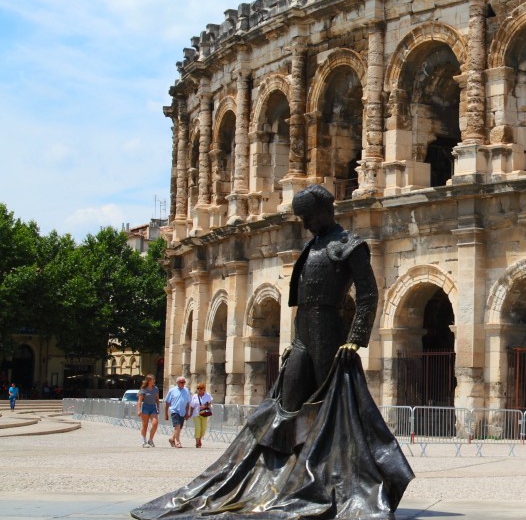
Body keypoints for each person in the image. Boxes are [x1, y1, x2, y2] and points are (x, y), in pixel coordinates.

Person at [133, 185, 413, 520]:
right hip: (305, 334)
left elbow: (368, 294)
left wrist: (354, 339)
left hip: (330, 332)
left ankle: (338, 480)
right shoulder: (313, 247)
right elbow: (302, 304)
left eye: (307, 216)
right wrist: (294, 344)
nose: (304, 223)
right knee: (282, 404)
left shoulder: (350, 246)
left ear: (325, 210)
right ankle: (275, 478)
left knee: (333, 412)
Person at [162, 377, 190, 448]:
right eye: (181, 382)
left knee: (179, 427)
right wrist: (166, 413)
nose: (183, 384)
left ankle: (172, 438)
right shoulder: (172, 390)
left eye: (184, 382)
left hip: (182, 412)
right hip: (175, 411)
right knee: (177, 425)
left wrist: (187, 413)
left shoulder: (186, 391)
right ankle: (177, 441)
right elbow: (167, 402)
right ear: (177, 383)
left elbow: (187, 403)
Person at [137, 375, 160, 447]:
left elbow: (157, 399)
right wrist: (138, 410)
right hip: (146, 407)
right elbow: (140, 401)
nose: (153, 381)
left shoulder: (155, 389)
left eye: (154, 380)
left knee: (155, 423)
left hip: (153, 407)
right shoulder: (143, 389)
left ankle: (150, 439)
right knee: (145, 425)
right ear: (148, 381)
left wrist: (158, 407)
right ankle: (144, 440)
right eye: (152, 380)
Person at [188, 382, 213, 448]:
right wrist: (190, 414)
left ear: (204, 389)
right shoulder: (194, 396)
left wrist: (205, 406)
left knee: (203, 429)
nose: (199, 390)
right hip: (196, 414)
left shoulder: (207, 395)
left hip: (204, 414)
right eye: (198, 388)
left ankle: (200, 439)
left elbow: (210, 402)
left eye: (201, 388)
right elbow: (192, 406)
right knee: (198, 428)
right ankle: (197, 442)